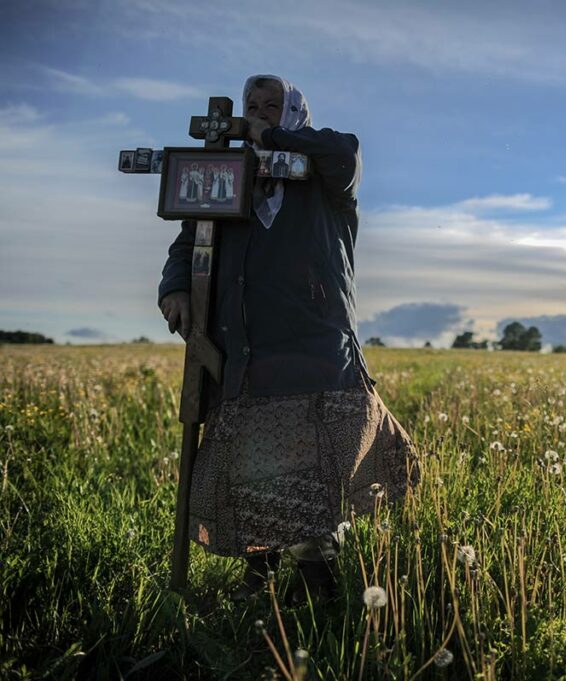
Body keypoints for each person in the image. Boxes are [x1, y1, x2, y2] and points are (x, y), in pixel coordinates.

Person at [157, 74, 421, 605]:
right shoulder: (229, 183)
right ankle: (260, 577)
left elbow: (343, 153)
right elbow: (192, 239)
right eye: (251, 106)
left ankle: (316, 583)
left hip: (317, 354)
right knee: (254, 470)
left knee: (314, 472)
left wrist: (269, 138)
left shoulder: (326, 176)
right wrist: (176, 288)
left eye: (271, 106)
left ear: (294, 112)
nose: (258, 114)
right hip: (246, 356)